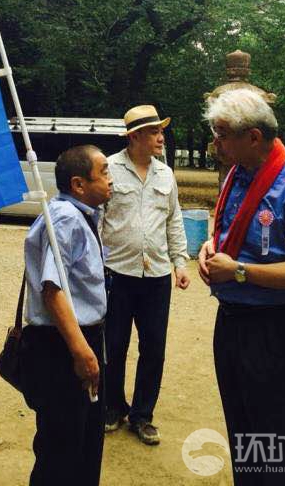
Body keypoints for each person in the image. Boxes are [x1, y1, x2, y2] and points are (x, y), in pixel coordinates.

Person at [198, 89, 285, 485]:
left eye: (222, 134)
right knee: (245, 438)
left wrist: (238, 271)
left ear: (253, 137)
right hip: (234, 325)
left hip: (279, 330)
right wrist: (213, 247)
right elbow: (238, 237)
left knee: (280, 447)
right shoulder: (239, 175)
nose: (215, 143)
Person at [23, 145, 112, 486]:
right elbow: (53, 290)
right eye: (103, 172)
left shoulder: (82, 214)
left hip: (79, 339)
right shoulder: (65, 218)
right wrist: (81, 352)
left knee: (85, 441)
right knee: (61, 448)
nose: (110, 180)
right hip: (62, 346)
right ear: (78, 184)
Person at [102, 104, 189, 445]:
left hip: (156, 278)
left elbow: (174, 220)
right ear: (135, 136)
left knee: (154, 348)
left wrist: (180, 263)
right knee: (114, 345)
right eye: (154, 132)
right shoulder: (108, 169)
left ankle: (142, 416)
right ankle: (112, 408)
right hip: (116, 276)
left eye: (160, 131)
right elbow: (96, 220)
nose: (160, 137)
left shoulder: (165, 174)